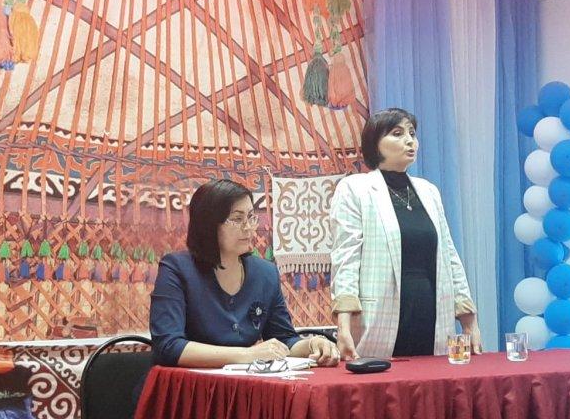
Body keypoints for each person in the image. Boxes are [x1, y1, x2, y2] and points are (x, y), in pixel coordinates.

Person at [330, 108, 481, 359]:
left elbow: (450, 256)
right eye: (397, 133)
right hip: (379, 320)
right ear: (375, 143)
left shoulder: (429, 191)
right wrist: (343, 326)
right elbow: (346, 259)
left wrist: (469, 321)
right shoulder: (355, 188)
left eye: (412, 133)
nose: (410, 141)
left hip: (433, 316)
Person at [150, 179, 339, 368]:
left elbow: (284, 339)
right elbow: (168, 346)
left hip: (242, 383)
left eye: (251, 217)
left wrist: (312, 344)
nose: (248, 227)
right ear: (208, 225)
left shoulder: (265, 273)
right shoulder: (177, 269)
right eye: (237, 219)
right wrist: (247, 354)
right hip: (188, 383)